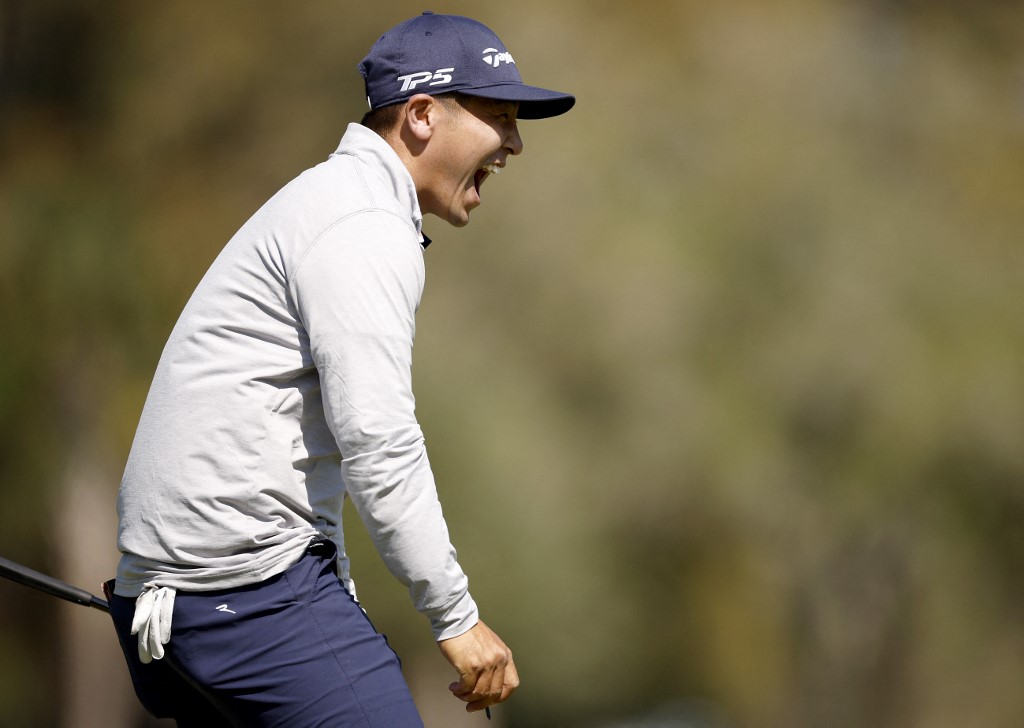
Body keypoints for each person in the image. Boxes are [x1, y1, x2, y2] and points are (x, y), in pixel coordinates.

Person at [105, 11, 574, 727]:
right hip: (247, 600)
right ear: (422, 116)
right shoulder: (361, 224)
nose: (514, 143)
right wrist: (455, 617)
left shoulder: (336, 201)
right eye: (500, 118)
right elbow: (379, 443)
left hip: (186, 605)